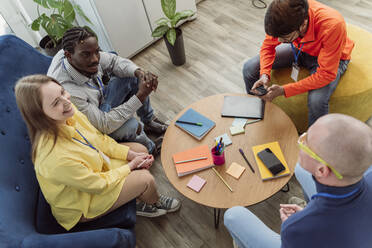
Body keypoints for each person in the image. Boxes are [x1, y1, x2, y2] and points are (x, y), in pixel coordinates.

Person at [15, 75, 181, 231]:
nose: (66, 101)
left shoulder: (68, 112)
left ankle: (138, 194)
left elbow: (99, 140)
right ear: (39, 115)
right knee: (145, 180)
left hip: (96, 167)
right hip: (83, 202)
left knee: (140, 150)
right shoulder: (55, 158)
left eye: (62, 91)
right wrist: (130, 166)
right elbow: (98, 185)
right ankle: (152, 202)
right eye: (55, 102)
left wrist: (130, 155)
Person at [224, 114, 372, 248]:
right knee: (300, 169)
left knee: (233, 215)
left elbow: (312, 229)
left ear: (321, 170)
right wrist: (309, 213)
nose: (299, 142)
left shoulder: (296, 228)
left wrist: (300, 222)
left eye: (305, 142)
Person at [47, 26, 167, 155]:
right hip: (94, 126)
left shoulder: (78, 52)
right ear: (68, 56)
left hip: (100, 101)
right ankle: (150, 148)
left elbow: (114, 61)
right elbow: (104, 124)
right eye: (86, 54)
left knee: (134, 76)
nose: (95, 59)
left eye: (96, 52)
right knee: (132, 126)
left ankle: (148, 121)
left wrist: (140, 73)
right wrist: (141, 96)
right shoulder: (68, 92)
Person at [243, 0, 354, 127]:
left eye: (284, 38)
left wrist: (284, 90)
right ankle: (256, 114)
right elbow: (268, 47)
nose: (278, 41)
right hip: (301, 48)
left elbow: (326, 74)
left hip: (333, 58)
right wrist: (264, 74)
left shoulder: (332, 24)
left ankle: (314, 143)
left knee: (317, 100)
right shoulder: (283, 17)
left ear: (303, 24)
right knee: (249, 67)